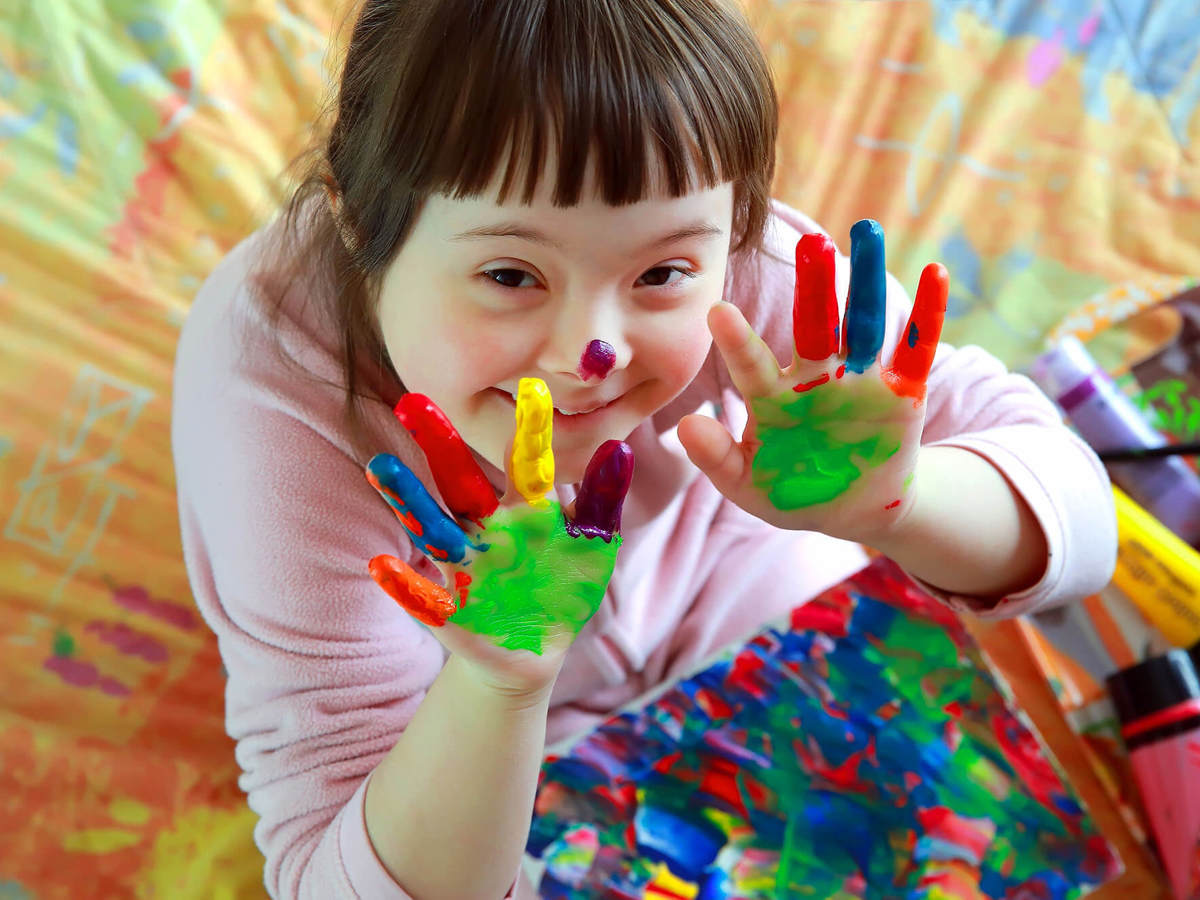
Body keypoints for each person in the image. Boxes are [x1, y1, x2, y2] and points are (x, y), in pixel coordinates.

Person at [169, 0, 1116, 897]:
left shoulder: (754, 278)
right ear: (354, 217)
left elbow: (1081, 522)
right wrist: (499, 683)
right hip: (469, 731)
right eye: (510, 273)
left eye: (662, 271)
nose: (593, 353)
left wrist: (898, 502)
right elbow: (336, 875)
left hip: (745, 591)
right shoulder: (273, 406)